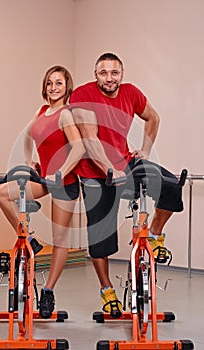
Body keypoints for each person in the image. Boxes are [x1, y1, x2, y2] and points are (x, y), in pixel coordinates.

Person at [70, 53, 184, 318]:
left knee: (171, 184)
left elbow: (153, 118)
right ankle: (107, 290)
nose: (109, 78)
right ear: (95, 74)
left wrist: (144, 150)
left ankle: (154, 235)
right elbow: (89, 139)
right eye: (103, 73)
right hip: (94, 173)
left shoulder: (131, 93)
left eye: (114, 73)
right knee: (101, 237)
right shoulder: (82, 95)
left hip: (124, 162)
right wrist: (109, 170)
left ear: (121, 74)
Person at [0, 65, 85, 319]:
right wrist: (29, 161)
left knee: (60, 241)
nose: (54, 87)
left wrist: (61, 172)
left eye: (59, 82)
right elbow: (27, 136)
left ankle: (48, 291)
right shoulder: (42, 111)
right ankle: (29, 240)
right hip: (44, 179)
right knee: (2, 195)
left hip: (64, 182)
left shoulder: (66, 115)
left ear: (67, 86)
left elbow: (78, 148)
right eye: (49, 83)